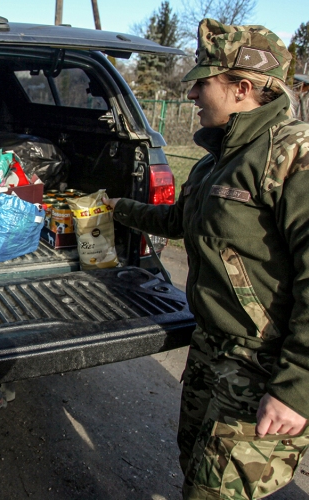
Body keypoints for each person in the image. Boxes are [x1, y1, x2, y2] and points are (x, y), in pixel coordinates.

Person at [104, 19, 309, 499]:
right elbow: (181, 222)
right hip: (211, 349)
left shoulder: (293, 155)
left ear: (242, 88)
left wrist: (295, 387)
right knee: (195, 465)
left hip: (262, 364)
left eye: (203, 82)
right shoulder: (216, 156)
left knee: (216, 492)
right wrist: (119, 209)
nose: (192, 92)